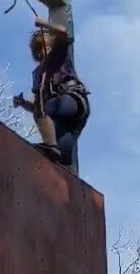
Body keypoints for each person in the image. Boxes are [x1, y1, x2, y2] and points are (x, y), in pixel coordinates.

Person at [12, 17, 90, 167]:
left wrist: (44, 24)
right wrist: (22, 104)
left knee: (44, 107)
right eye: (41, 50)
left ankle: (51, 146)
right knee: (63, 158)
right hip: (67, 119)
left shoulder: (59, 52)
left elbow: (62, 32)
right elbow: (37, 109)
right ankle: (55, 150)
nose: (45, 52)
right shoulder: (38, 74)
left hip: (72, 99)